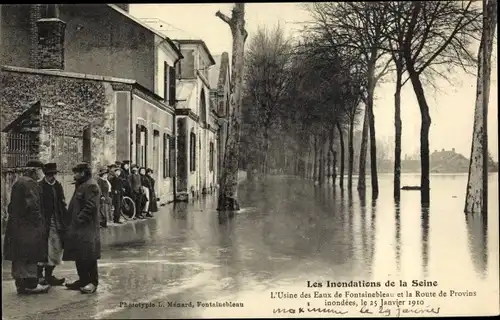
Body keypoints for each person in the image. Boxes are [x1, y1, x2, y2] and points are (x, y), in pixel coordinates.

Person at [3, 159, 50, 294]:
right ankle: (31, 285)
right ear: (35, 171)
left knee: (19, 256)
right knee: (30, 255)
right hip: (29, 228)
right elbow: (33, 206)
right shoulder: (30, 184)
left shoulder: (18, 182)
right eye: (40, 171)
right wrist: (39, 224)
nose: (41, 174)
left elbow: (11, 207)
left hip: (17, 226)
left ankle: (21, 285)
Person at [64, 162, 101, 294]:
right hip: (78, 228)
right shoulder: (82, 184)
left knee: (89, 256)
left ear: (83, 173)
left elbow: (90, 207)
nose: (75, 175)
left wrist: (79, 220)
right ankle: (83, 280)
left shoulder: (91, 185)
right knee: (79, 255)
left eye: (77, 172)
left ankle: (92, 282)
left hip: (87, 228)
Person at [38, 162, 68, 286]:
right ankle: (39, 276)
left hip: (57, 222)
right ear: (46, 174)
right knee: (42, 249)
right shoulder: (40, 186)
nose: (53, 177)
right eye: (50, 174)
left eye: (54, 174)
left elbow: (62, 202)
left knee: (56, 248)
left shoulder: (57, 186)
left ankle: (49, 276)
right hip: (44, 223)